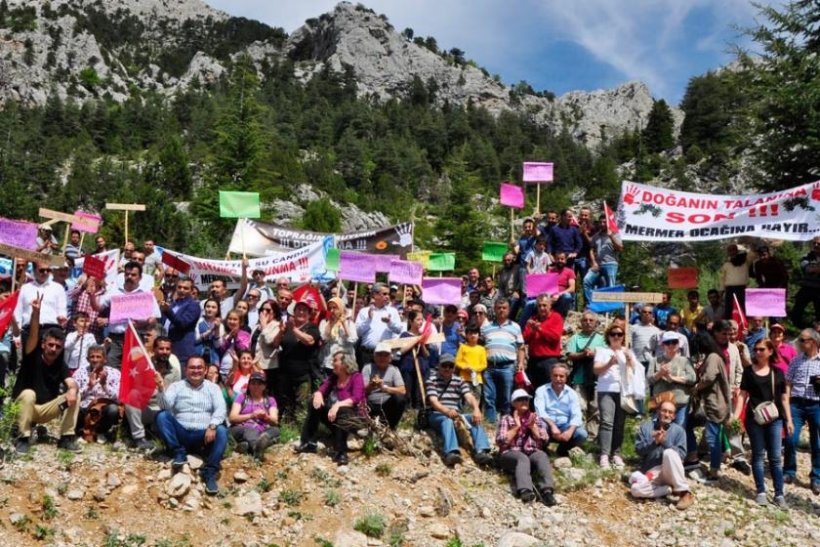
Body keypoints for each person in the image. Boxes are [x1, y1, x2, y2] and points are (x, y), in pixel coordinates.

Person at [12, 295, 81, 453]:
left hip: (45, 411)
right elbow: (33, 335)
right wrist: (35, 313)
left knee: (75, 393)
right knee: (29, 394)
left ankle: (66, 437)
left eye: (58, 346)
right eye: (50, 345)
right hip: (25, 407)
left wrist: (72, 390)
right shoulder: (32, 355)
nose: (53, 349)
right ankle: (23, 438)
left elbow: (71, 381)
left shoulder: (59, 363)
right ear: (43, 345)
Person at [156, 356, 228, 495]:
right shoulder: (177, 386)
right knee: (162, 416)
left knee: (222, 431)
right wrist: (160, 389)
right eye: (192, 367)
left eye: (199, 367)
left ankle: (210, 472)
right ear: (186, 370)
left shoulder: (213, 388)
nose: (196, 371)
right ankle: (178, 453)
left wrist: (212, 426)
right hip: (181, 432)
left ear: (205, 370)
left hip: (203, 436)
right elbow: (164, 407)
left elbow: (221, 409)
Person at [733, 338, 789, 506]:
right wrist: (736, 416)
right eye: (755, 349)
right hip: (754, 418)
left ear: (770, 351)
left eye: (761, 349)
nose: (757, 352)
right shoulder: (749, 372)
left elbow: (785, 398)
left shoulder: (778, 373)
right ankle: (761, 491)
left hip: (775, 419)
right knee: (757, 455)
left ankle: (779, 494)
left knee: (775, 457)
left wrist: (789, 420)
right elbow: (743, 395)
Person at [297, 351, 364, 466]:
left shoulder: (356, 377)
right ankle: (308, 442)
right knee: (314, 403)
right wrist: (318, 394)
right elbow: (322, 389)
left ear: (345, 364)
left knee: (343, 411)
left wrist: (338, 405)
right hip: (334, 416)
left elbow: (356, 398)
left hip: (352, 418)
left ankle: (341, 451)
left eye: (335, 360)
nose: (332, 363)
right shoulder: (334, 377)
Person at [425, 355, 494, 467]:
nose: (447, 368)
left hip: (455, 414)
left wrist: (476, 409)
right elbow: (434, 402)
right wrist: (447, 411)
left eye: (450, 366)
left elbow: (469, 397)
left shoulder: (459, 380)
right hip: (437, 414)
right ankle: (451, 452)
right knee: (447, 420)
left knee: (474, 418)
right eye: (444, 366)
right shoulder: (431, 380)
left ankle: (481, 450)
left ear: (454, 367)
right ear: (439, 366)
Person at [92, 261, 160, 369]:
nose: (129, 277)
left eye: (133, 275)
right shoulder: (114, 291)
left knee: (134, 371)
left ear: (140, 277)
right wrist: (92, 295)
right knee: (111, 369)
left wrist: (143, 323)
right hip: (115, 339)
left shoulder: (146, 295)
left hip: (136, 338)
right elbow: (98, 307)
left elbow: (155, 319)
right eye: (127, 274)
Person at [631, 397, 695, 510]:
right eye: (664, 410)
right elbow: (638, 450)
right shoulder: (646, 427)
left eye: (670, 412)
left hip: (669, 472)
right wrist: (654, 442)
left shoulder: (679, 431)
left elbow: (681, 456)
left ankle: (685, 493)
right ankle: (667, 489)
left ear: (674, 416)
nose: (666, 414)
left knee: (670, 453)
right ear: (658, 412)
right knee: (635, 490)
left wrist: (664, 442)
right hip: (651, 473)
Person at [496, 389, 557, 506]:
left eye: (526, 399)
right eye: (520, 400)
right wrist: (516, 427)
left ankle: (547, 491)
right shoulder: (506, 419)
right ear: (513, 403)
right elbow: (501, 441)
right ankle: (525, 490)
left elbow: (545, 439)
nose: (524, 402)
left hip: (531, 452)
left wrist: (533, 428)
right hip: (510, 454)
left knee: (541, 456)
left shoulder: (534, 418)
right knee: (522, 458)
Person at [593, 323, 641, 468]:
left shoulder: (627, 352)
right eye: (613, 334)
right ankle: (604, 455)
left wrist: (630, 360)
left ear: (623, 337)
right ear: (608, 336)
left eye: (619, 334)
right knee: (607, 422)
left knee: (619, 424)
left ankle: (617, 453)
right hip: (606, 389)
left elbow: (636, 371)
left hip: (623, 391)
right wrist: (609, 363)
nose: (616, 337)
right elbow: (596, 370)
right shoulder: (602, 351)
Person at [688, 331, 733, 483]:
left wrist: (696, 388)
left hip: (714, 404)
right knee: (712, 437)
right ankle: (713, 466)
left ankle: (714, 470)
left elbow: (709, 377)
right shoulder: (715, 356)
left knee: (712, 439)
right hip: (716, 404)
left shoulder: (713, 357)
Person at [125, 336, 182, 451]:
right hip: (147, 408)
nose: (164, 352)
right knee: (132, 395)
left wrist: (161, 388)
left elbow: (174, 396)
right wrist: (157, 390)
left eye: (167, 349)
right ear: (154, 350)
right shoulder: (143, 366)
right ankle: (139, 438)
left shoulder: (174, 372)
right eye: (161, 349)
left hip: (165, 409)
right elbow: (136, 388)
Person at [783, 329, 820, 494]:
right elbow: (788, 384)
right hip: (797, 404)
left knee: (817, 443)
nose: (799, 343)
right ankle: (789, 471)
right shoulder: (796, 361)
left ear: (813, 341)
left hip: (816, 405)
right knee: (790, 439)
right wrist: (787, 404)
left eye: (803, 340)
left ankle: (816, 477)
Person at [481, 298, 526, 423]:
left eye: (504, 308)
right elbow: (480, 345)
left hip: (507, 366)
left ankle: (506, 422)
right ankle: (490, 423)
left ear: (509, 310)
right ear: (494, 309)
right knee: (489, 396)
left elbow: (521, 347)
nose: (501, 310)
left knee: (507, 397)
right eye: (499, 308)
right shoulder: (486, 327)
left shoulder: (515, 327)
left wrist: (521, 363)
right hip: (489, 366)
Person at [565, 311, 605, 439]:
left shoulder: (602, 339)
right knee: (580, 407)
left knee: (595, 408)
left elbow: (607, 356)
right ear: (581, 322)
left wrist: (595, 354)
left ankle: (592, 437)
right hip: (579, 378)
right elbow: (570, 355)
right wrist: (582, 354)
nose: (588, 322)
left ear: (596, 323)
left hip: (597, 379)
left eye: (591, 320)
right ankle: (580, 435)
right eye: (585, 320)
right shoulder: (575, 338)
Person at [278, 300, 320, 420]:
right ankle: (286, 426)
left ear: (309, 314)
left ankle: (301, 429)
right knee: (286, 402)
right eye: (298, 309)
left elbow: (309, 341)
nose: (301, 312)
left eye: (304, 310)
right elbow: (277, 344)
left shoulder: (312, 327)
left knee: (302, 404)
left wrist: (294, 329)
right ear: (294, 312)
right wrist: (281, 332)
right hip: (285, 373)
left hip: (303, 374)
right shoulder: (287, 327)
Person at [534, 362, 588, 455]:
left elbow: (576, 415)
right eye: (555, 376)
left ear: (566, 378)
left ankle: (562, 450)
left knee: (582, 434)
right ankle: (542, 449)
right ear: (550, 376)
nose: (558, 379)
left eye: (561, 376)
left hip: (564, 425)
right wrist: (553, 426)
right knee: (539, 427)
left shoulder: (572, 393)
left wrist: (570, 432)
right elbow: (540, 412)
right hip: (547, 423)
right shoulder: (541, 390)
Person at [13, 260, 68, 349]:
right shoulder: (25, 288)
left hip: (51, 331)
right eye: (42, 270)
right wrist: (16, 336)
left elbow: (62, 309)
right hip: (28, 331)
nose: (45, 273)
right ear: (34, 270)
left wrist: (62, 317)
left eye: (48, 270)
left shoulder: (58, 288)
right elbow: (18, 312)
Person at [72, 345, 121, 442]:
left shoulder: (115, 373)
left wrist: (104, 386)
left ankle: (101, 432)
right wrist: (88, 387)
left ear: (105, 359)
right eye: (92, 357)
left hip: (104, 406)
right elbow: (74, 395)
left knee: (113, 409)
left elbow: (118, 397)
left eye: (98, 357)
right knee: (74, 406)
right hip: (85, 406)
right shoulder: (80, 372)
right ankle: (81, 431)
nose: (95, 360)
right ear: (87, 359)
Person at [647, 332, 696, 426]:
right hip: (659, 403)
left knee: (679, 431)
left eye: (674, 342)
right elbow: (649, 379)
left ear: (678, 344)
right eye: (667, 342)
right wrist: (660, 373)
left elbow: (692, 378)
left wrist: (673, 378)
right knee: (658, 430)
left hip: (680, 403)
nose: (671, 345)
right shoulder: (655, 360)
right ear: (662, 345)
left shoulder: (685, 360)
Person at [228, 371, 279, 459]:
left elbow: (275, 421)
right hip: (242, 428)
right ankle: (257, 448)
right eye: (253, 383)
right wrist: (252, 415)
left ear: (264, 386)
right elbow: (232, 418)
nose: (256, 386)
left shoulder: (270, 400)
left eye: (259, 384)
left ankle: (247, 446)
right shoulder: (242, 398)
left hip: (262, 429)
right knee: (251, 431)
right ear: (249, 385)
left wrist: (266, 417)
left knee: (275, 430)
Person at [397, 310, 440, 408]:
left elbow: (426, 354)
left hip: (421, 367)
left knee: (419, 392)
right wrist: (415, 341)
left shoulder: (423, 336)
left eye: (422, 320)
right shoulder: (405, 335)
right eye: (418, 319)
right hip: (408, 367)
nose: (420, 322)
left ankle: (418, 412)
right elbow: (401, 351)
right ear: (411, 321)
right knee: (407, 391)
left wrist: (422, 343)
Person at [355, 283, 403, 367]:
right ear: (375, 295)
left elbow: (399, 330)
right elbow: (358, 333)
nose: (387, 296)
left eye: (388, 294)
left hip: (384, 354)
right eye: (384, 294)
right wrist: (368, 319)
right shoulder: (364, 311)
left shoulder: (392, 311)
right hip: (367, 354)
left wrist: (390, 322)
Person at [522, 294, 564, 389]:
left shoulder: (556, 317)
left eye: (544, 305)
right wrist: (532, 330)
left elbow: (555, 338)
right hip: (533, 360)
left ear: (550, 305)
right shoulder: (533, 319)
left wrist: (539, 329)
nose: (542, 308)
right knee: (532, 389)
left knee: (550, 389)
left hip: (549, 360)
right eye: (539, 305)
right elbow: (525, 339)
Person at [362, 342, 406, 429]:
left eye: (385, 355)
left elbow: (402, 390)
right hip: (370, 404)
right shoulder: (367, 368)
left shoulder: (394, 370)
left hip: (387, 405)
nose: (382, 358)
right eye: (379, 355)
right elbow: (362, 390)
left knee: (400, 399)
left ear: (390, 358)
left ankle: (391, 427)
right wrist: (371, 385)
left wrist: (384, 387)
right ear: (374, 357)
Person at [160, 277, 201, 368]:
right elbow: (163, 323)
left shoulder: (193, 305)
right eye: (179, 287)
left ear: (191, 290)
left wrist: (168, 311)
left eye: (186, 288)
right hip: (167, 350)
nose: (182, 290)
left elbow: (182, 323)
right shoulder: (173, 304)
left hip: (182, 351)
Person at [583, 214, 623, 305]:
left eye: (604, 222)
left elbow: (620, 248)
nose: (602, 224)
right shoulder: (597, 235)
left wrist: (611, 236)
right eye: (600, 222)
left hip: (611, 263)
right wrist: (584, 233)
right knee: (587, 281)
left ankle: (610, 310)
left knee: (611, 287)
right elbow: (591, 246)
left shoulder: (615, 233)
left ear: (608, 223)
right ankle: (590, 305)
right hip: (598, 265)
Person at [319, 297, 358, 372]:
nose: (332, 311)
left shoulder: (349, 323)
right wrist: (330, 323)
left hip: (346, 362)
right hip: (329, 361)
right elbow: (324, 339)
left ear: (341, 308)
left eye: (335, 308)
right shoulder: (325, 322)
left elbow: (352, 340)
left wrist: (343, 324)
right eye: (329, 308)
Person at [790, 236, 820, 328]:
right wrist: (815, 269)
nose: (816, 245)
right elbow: (807, 269)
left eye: (818, 243)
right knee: (796, 312)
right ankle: (802, 329)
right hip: (807, 287)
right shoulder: (806, 256)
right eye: (814, 243)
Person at [719, 244, 754, 318]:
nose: (732, 252)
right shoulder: (726, 264)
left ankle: (744, 327)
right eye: (730, 250)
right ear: (728, 252)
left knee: (743, 309)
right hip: (730, 290)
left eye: (733, 249)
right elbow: (722, 280)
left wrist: (749, 245)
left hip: (741, 289)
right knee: (729, 310)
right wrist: (721, 294)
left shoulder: (745, 261)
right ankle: (729, 328)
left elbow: (753, 254)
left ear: (737, 250)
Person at [455, 324, 487, 402]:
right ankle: (464, 414)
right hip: (464, 379)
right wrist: (465, 367)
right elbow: (457, 361)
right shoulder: (463, 347)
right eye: (470, 333)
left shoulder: (482, 349)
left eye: (475, 333)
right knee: (464, 400)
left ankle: (475, 413)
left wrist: (475, 369)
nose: (473, 335)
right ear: (466, 335)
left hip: (477, 379)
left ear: (479, 335)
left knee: (476, 400)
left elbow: (484, 364)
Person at [218, 309, 251, 379]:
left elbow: (243, 350)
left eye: (235, 319)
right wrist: (229, 338)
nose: (232, 321)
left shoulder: (245, 335)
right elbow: (220, 350)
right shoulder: (223, 333)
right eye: (230, 319)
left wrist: (236, 337)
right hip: (222, 370)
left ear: (240, 322)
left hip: (237, 370)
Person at [195, 298, 223, 365]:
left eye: (213, 307)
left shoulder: (220, 325)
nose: (210, 309)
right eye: (208, 306)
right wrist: (210, 331)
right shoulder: (198, 321)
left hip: (213, 357)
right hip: (198, 354)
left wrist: (217, 329)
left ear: (217, 310)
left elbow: (218, 345)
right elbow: (195, 340)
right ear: (204, 308)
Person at [547, 252, 576, 317]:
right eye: (558, 259)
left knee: (567, 296)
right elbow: (546, 287)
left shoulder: (570, 271)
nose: (560, 261)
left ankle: (556, 316)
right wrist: (550, 297)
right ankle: (521, 326)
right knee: (530, 303)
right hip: (550, 297)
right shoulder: (550, 271)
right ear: (555, 259)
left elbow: (572, 288)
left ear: (565, 260)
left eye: (562, 259)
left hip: (562, 297)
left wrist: (559, 294)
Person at [496, 252, 522, 319]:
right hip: (505, 295)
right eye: (505, 260)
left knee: (514, 300)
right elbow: (501, 286)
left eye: (508, 260)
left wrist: (517, 290)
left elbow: (521, 280)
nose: (507, 262)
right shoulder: (502, 271)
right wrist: (500, 298)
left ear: (512, 260)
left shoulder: (518, 268)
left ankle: (509, 320)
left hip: (516, 294)